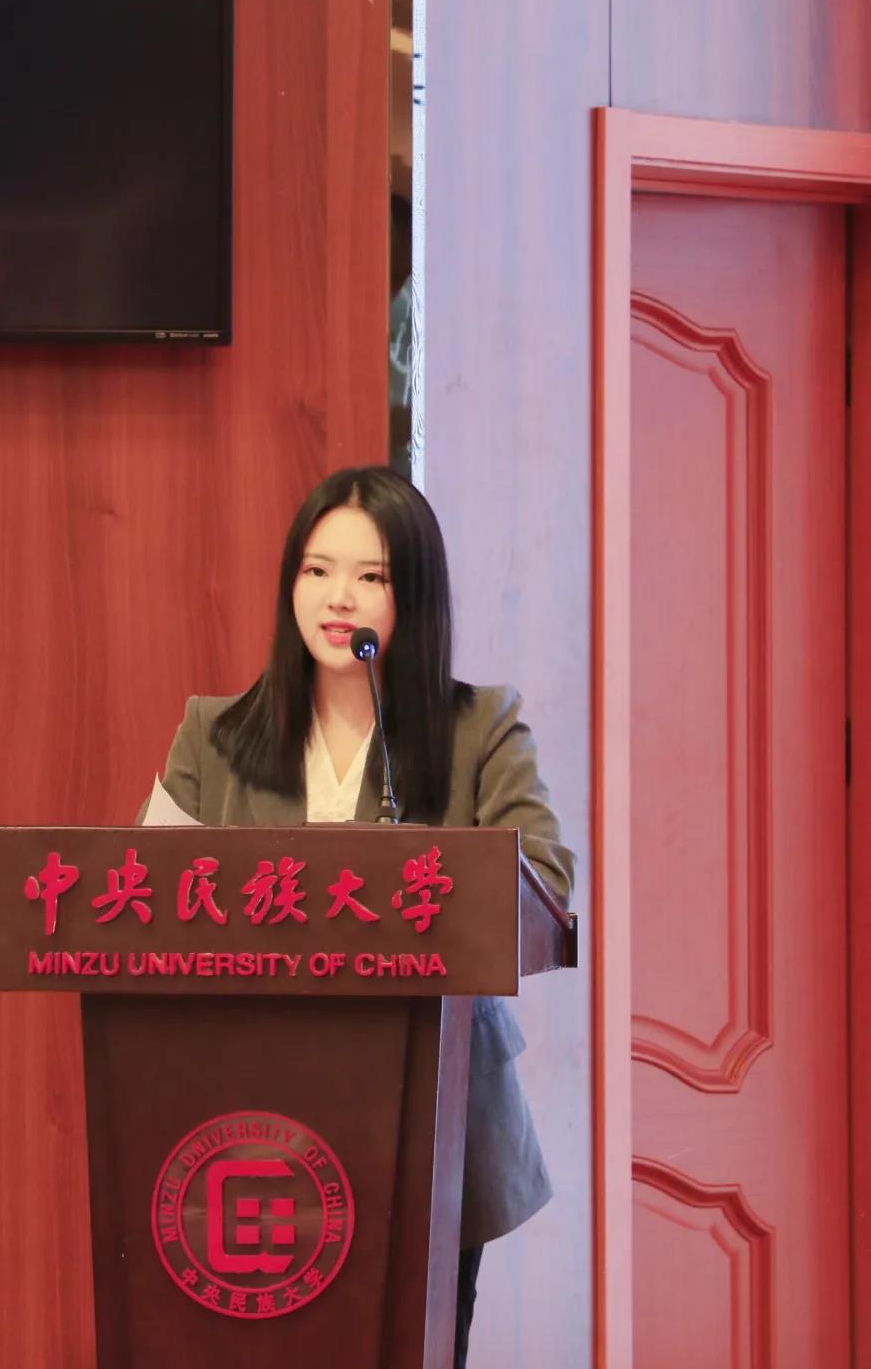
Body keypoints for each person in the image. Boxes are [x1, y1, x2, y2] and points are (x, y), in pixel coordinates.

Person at [155, 465, 574, 1368]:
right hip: (247, 1121)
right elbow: (143, 905)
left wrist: (419, 882)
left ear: (411, 594)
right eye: (316, 570)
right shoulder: (212, 736)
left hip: (435, 1123)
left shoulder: (479, 728)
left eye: (370, 575)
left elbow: (542, 882)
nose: (337, 597)